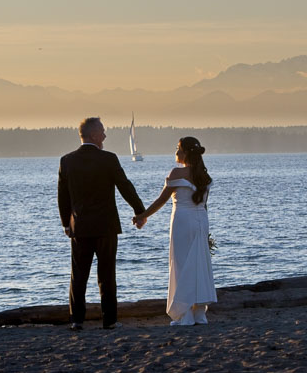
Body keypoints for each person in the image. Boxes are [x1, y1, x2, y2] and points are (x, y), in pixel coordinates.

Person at [58, 117, 146, 330]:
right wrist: (140, 211)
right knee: (107, 275)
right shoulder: (108, 159)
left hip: (80, 227)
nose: (105, 136)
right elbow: (125, 187)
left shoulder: (67, 160)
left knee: (78, 275)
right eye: (103, 132)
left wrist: (66, 224)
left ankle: (76, 320)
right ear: (94, 135)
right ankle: (110, 321)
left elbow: (62, 196)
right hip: (106, 226)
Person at [133, 136, 217, 325]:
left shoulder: (176, 174)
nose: (176, 152)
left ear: (186, 153)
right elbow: (204, 205)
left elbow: (160, 201)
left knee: (180, 264)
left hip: (182, 220)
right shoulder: (204, 176)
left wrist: (142, 216)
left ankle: (184, 313)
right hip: (201, 221)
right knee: (199, 264)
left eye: (178, 148)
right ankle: (199, 313)